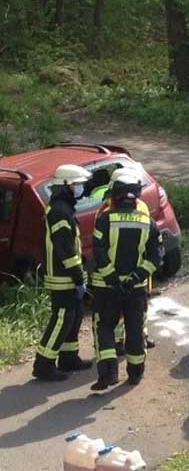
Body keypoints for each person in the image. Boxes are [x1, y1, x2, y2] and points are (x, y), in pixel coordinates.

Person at [90, 168, 161, 390]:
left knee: (105, 329)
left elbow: (98, 252)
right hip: (136, 288)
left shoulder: (104, 219)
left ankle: (108, 374)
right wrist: (136, 277)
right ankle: (135, 374)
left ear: (115, 194)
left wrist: (113, 278)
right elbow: (156, 255)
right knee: (135, 329)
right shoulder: (146, 221)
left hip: (106, 288)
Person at [32, 165, 92, 382]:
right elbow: (65, 249)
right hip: (62, 278)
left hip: (68, 276)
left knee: (74, 318)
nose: (81, 188)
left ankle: (69, 358)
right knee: (62, 320)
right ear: (66, 185)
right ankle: (43, 365)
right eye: (77, 184)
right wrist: (78, 276)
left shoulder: (64, 207)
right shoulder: (59, 211)